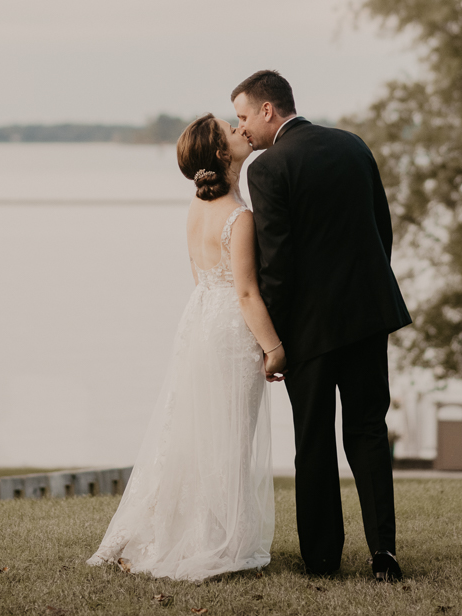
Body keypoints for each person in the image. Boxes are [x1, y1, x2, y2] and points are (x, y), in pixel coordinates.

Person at [87, 113, 284, 581]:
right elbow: (246, 293)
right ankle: (214, 536)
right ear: (221, 154)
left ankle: (186, 526)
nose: (240, 131)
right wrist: (273, 347)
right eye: (230, 130)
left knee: (196, 430)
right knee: (229, 434)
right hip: (230, 330)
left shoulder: (196, 209)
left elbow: (200, 277)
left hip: (197, 323)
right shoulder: (239, 217)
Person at [232, 69, 411, 582]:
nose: (242, 129)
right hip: (366, 318)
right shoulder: (353, 145)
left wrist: (275, 340)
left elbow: (277, 265)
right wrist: (366, 295)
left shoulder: (267, 169)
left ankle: (323, 559)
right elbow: (382, 228)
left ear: (269, 110)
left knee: (314, 439)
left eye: (244, 117)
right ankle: (383, 553)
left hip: (308, 331)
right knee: (369, 431)